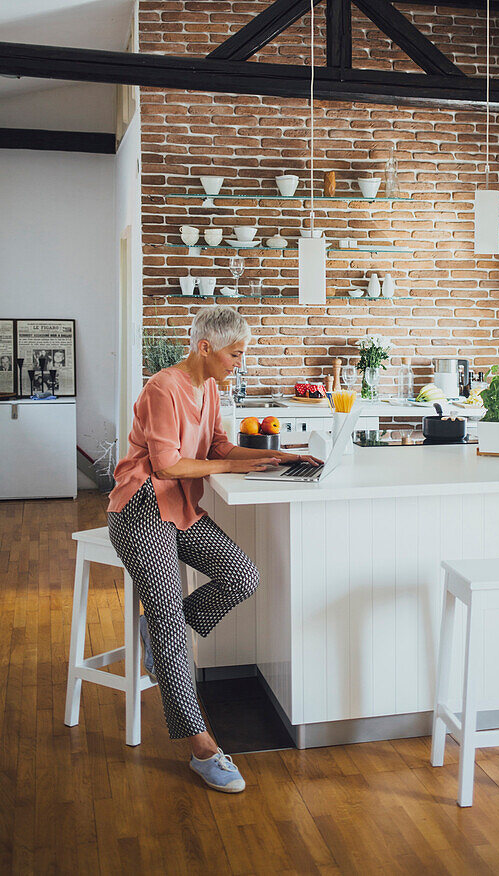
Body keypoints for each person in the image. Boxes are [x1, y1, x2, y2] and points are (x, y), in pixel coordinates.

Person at [107, 307, 320, 793]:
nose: (238, 364)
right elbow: (168, 466)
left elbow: (220, 447)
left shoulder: (209, 387)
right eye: (234, 355)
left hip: (177, 508)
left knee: (241, 576)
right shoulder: (164, 388)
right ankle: (202, 749)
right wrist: (232, 471)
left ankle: (162, 634)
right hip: (141, 509)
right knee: (167, 620)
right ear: (205, 348)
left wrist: (275, 455)